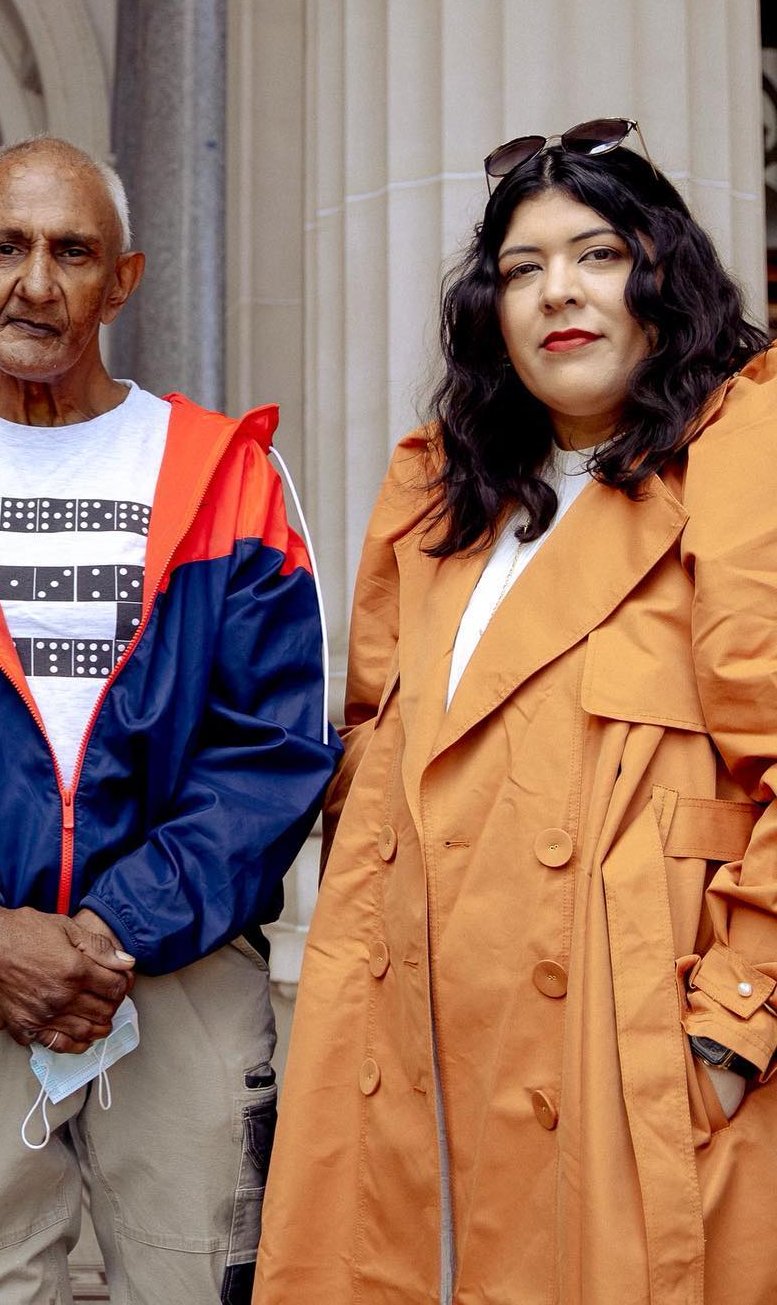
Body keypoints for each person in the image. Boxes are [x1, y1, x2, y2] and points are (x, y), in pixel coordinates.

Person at [0, 136, 338, 1303]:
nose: (35, 283)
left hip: (178, 972)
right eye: (4, 247)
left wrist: (107, 930)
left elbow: (275, 749)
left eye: (71, 251)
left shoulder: (229, 475)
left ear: (124, 279)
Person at [255, 119, 777, 1304]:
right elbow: (374, 768)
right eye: (521, 268)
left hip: (617, 1054)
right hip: (413, 1061)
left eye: (595, 254)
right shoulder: (443, 494)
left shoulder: (742, 456)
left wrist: (730, 1028)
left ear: (659, 273)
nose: (559, 293)